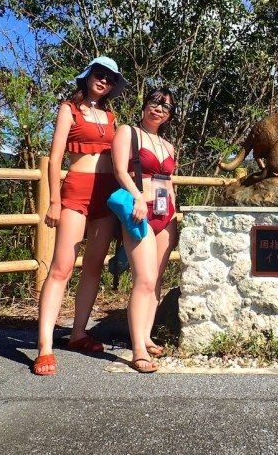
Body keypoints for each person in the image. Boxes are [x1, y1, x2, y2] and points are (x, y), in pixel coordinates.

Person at [33, 57, 127, 375]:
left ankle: (77, 334)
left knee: (93, 268)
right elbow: (55, 157)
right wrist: (55, 201)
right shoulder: (68, 109)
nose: (103, 81)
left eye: (110, 78)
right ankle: (45, 347)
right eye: (99, 75)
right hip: (75, 190)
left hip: (106, 196)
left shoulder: (110, 116)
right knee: (61, 268)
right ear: (87, 77)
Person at [112, 87, 178, 373]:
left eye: (166, 107)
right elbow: (120, 171)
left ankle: (146, 336)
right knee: (145, 279)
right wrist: (138, 197)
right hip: (140, 210)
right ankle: (137, 347)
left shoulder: (168, 145)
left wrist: (176, 213)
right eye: (155, 103)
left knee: (158, 279)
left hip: (167, 214)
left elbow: (169, 181)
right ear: (144, 105)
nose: (159, 110)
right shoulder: (128, 132)